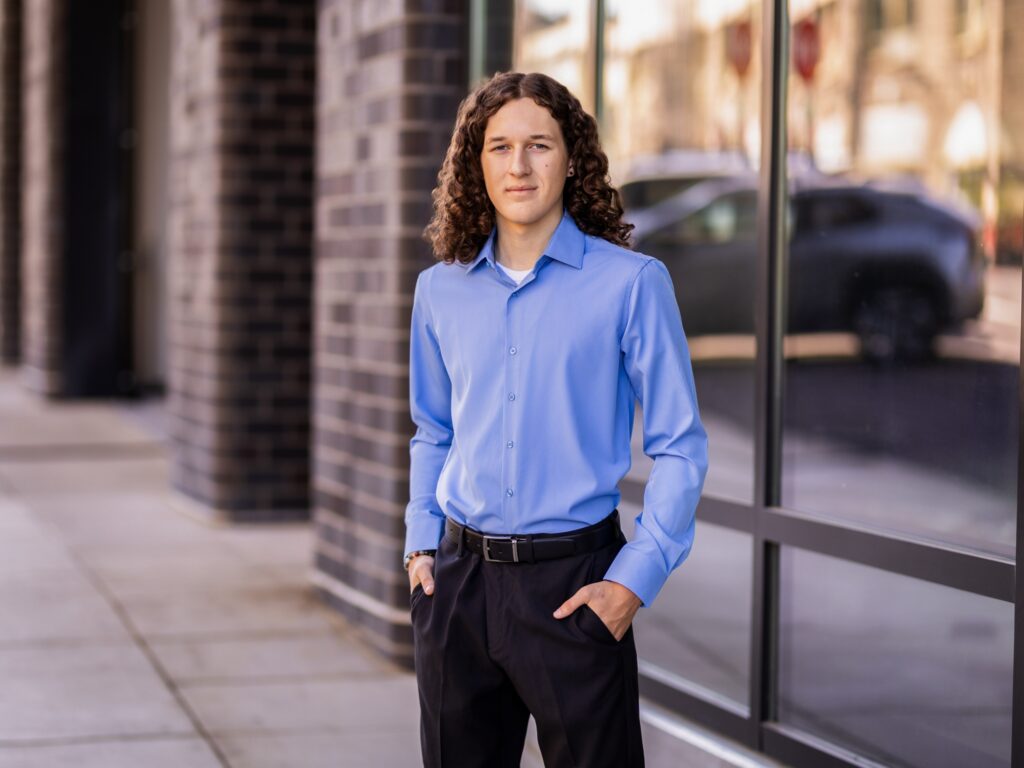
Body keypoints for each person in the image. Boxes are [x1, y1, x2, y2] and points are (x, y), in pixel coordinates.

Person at [403, 71, 708, 768]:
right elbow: (433, 431)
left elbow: (680, 448)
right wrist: (421, 547)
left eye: (538, 145)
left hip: (576, 587)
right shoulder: (439, 291)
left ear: (572, 158)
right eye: (499, 146)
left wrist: (634, 580)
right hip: (457, 587)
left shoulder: (631, 284)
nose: (519, 165)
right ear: (475, 164)